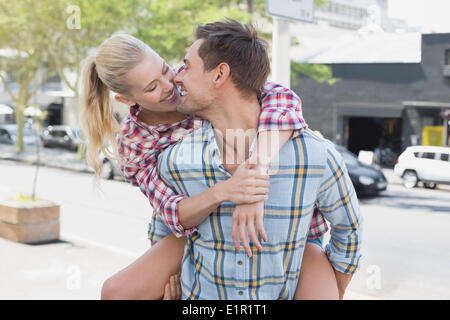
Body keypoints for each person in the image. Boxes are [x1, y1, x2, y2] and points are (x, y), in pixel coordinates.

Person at [81, 30, 335, 300]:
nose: (170, 85)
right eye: (152, 88)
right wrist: (228, 191)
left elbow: (282, 98)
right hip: (200, 225)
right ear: (127, 100)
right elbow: (171, 213)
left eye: (166, 70)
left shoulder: (193, 82)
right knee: (116, 292)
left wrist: (253, 179)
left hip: (284, 223)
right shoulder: (135, 144)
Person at [154, 19, 363, 299]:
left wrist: (330, 289)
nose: (177, 78)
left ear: (220, 75)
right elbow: (161, 235)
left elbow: (349, 232)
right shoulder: (175, 160)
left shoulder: (315, 156)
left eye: (187, 66)